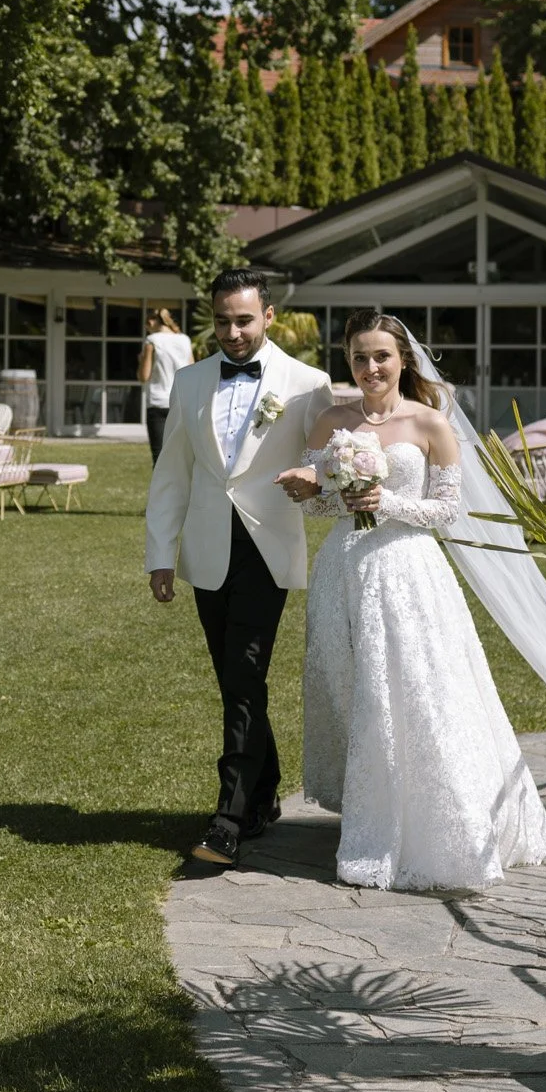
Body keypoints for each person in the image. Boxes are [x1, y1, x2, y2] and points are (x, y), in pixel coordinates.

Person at [276, 310, 546, 892]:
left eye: (381, 356)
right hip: (343, 571)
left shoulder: (431, 423)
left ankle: (437, 825)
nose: (370, 367)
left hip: (408, 570)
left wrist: (386, 501)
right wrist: (314, 490)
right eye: (359, 356)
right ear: (347, 360)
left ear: (403, 359)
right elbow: (322, 508)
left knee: (414, 691)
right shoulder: (331, 420)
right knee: (355, 689)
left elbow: (447, 511)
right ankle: (374, 810)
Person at [146, 268, 332, 867]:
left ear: (269, 316)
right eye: (222, 320)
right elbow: (173, 471)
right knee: (236, 680)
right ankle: (264, 796)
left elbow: (325, 464)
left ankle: (229, 818)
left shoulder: (308, 384)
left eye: (244, 320)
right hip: (206, 550)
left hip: (267, 547)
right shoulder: (191, 379)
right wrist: (161, 554)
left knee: (245, 676)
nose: (232, 331)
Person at [138, 308, 193, 462]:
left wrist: (141, 361)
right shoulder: (184, 340)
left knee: (160, 458)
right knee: (182, 458)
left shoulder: (152, 340)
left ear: (150, 322)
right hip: (181, 402)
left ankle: (160, 487)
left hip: (158, 403)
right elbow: (192, 370)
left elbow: (143, 376)